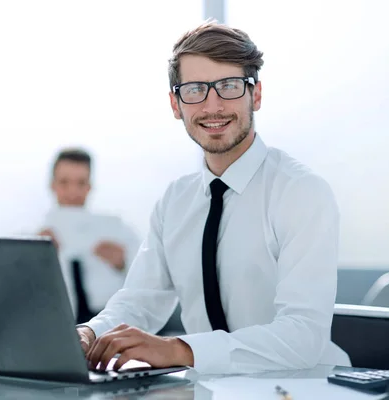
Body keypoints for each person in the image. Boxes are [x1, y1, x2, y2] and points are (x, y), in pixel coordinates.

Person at [76, 21, 351, 375]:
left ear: (257, 94)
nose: (213, 105)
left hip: (308, 388)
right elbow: (139, 302)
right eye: (195, 90)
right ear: (176, 104)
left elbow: (302, 337)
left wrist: (179, 349)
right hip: (209, 390)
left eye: (229, 86)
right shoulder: (175, 201)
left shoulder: (301, 192)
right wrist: (88, 333)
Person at [38, 148, 140, 324]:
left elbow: (151, 274)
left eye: (81, 183)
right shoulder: (35, 235)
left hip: (110, 324)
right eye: (64, 182)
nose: (72, 192)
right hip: (54, 323)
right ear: (52, 185)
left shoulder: (116, 228)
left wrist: (124, 262)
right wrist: (37, 258)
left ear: (89, 187)